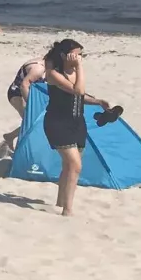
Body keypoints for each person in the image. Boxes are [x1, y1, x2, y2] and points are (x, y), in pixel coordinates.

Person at [42, 39, 116, 216]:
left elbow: (81, 96)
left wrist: (98, 101)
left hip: (77, 122)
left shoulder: (75, 72)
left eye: (81, 55)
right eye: (76, 54)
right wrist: (80, 68)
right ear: (63, 55)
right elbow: (78, 91)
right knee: (76, 165)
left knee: (68, 166)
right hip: (57, 122)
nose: (79, 58)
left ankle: (60, 202)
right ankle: (68, 210)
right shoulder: (53, 74)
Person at [0, 56, 46, 156]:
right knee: (31, 124)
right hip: (18, 95)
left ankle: (10, 137)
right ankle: (12, 140)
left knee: (33, 123)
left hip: (28, 95)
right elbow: (24, 86)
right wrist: (31, 104)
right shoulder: (38, 68)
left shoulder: (46, 65)